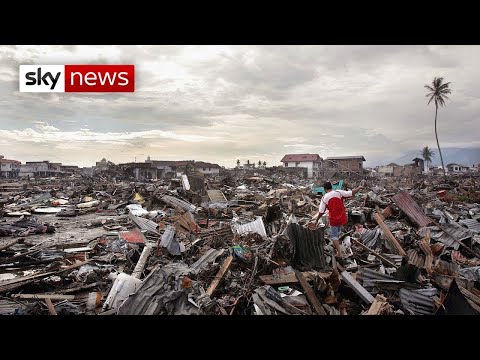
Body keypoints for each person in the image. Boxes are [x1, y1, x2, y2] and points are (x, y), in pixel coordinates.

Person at [308, 181, 363, 257]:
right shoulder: (338, 192)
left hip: (334, 219)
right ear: (331, 187)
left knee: (334, 237)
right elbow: (351, 193)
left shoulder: (324, 197)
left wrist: (317, 220)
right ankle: (340, 246)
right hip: (342, 218)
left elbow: (321, 211)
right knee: (337, 233)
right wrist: (359, 188)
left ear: (324, 189)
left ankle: (339, 253)